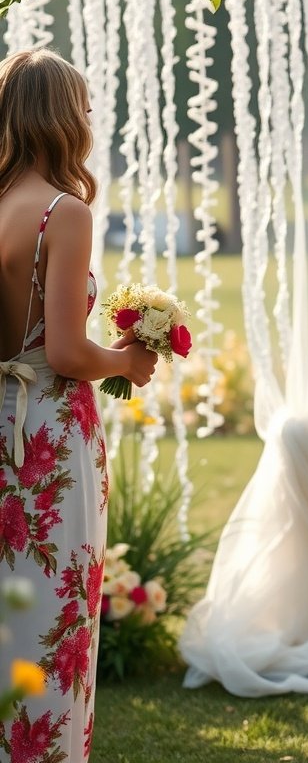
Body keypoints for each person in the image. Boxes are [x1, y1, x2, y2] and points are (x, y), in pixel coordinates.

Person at [0, 49, 157, 762]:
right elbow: (64, 351)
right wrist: (127, 361)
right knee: (52, 618)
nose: (91, 118)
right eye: (85, 105)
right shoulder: (64, 212)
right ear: (60, 115)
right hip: (47, 432)